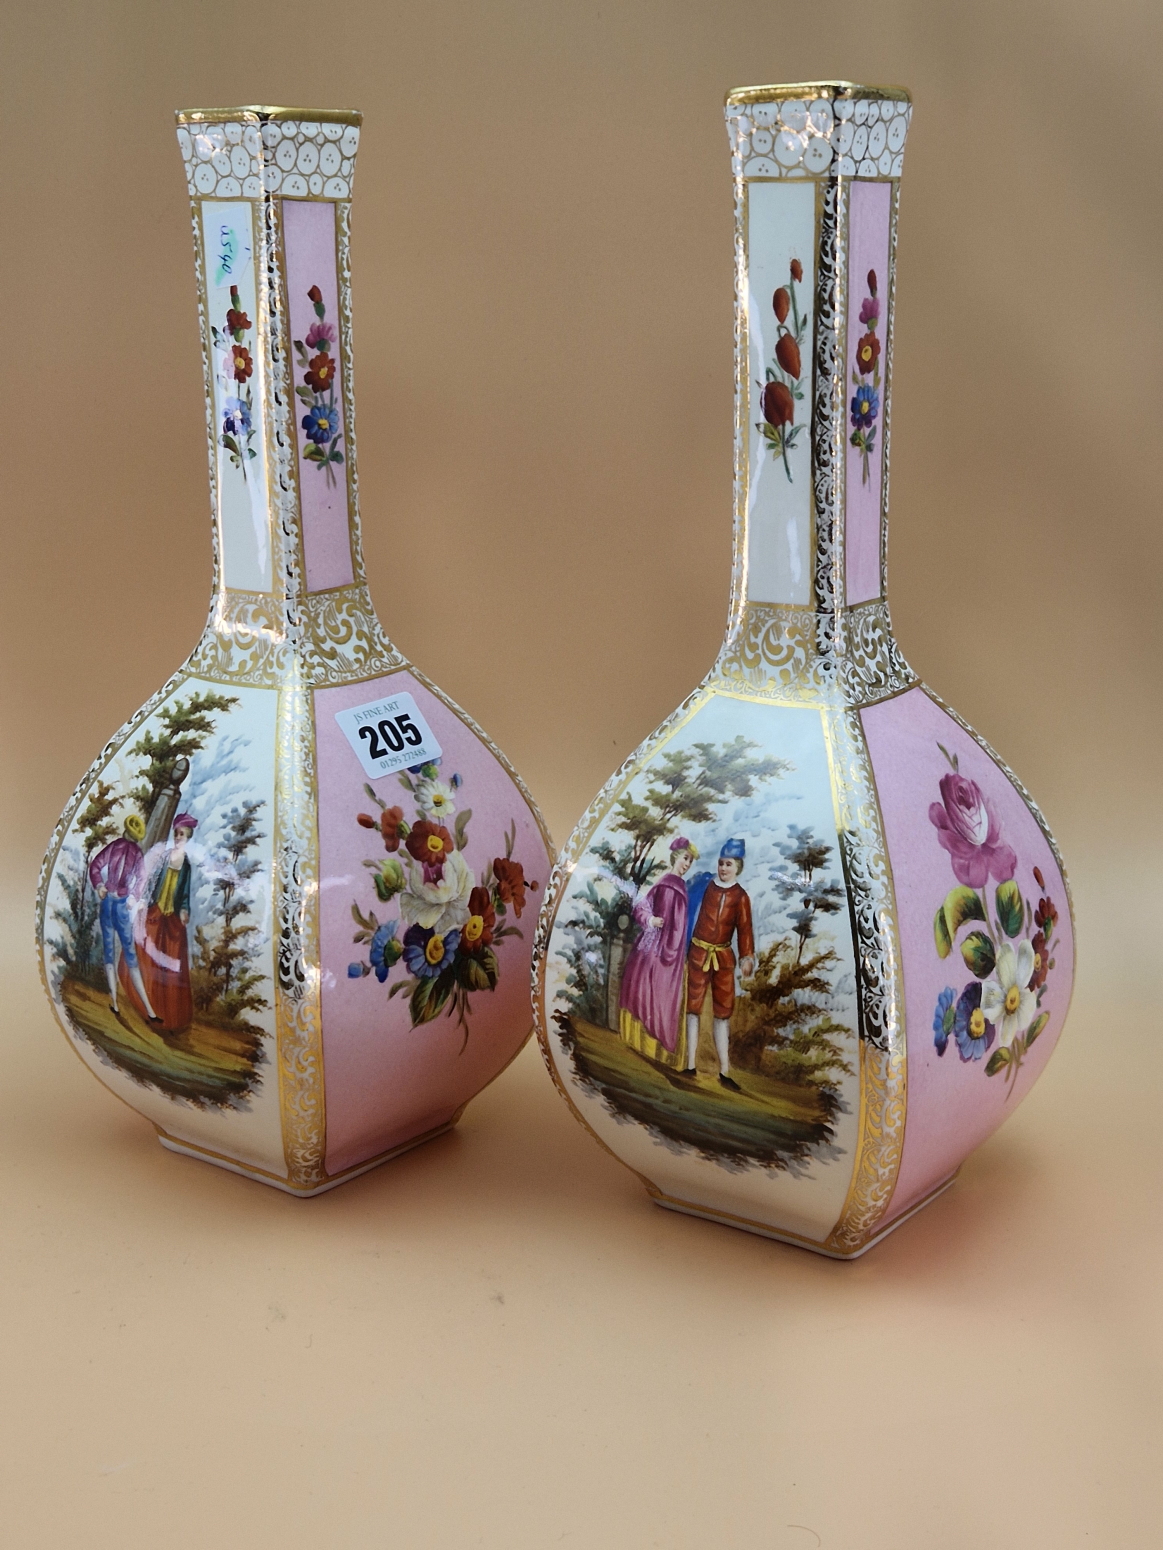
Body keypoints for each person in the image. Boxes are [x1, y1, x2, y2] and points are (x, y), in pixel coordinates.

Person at [682, 838, 755, 1090]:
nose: (724, 868)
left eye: (729, 864)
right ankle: (690, 1065)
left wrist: (747, 957)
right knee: (693, 1008)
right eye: (721, 863)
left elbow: (745, 930)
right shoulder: (704, 886)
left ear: (738, 867)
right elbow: (688, 911)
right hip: (699, 954)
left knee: (722, 1014)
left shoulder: (741, 897)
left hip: (723, 959)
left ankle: (724, 1071)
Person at [618, 838, 698, 1067]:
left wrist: (675, 950)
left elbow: (680, 928)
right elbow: (642, 907)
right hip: (656, 951)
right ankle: (640, 1045)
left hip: (668, 953)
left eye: (690, 861)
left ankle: (654, 1052)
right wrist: (651, 920)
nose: (687, 864)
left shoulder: (679, 886)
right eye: (685, 858)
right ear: (675, 857)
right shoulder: (666, 883)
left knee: (659, 996)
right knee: (647, 991)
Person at [124, 813, 196, 1032]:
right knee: (146, 952)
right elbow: (151, 879)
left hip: (171, 916)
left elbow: (184, 893)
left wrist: (184, 910)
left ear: (188, 837)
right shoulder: (164, 857)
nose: (178, 837)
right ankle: (145, 1002)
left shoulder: (186, 865)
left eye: (182, 834)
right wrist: (144, 900)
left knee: (172, 960)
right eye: (176, 833)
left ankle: (168, 1012)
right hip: (156, 909)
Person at [88, 814, 161, 1024]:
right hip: (108, 903)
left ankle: (149, 1010)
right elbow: (96, 865)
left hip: (121, 905)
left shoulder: (137, 853)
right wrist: (99, 885)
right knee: (109, 949)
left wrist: (133, 897)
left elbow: (142, 878)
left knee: (129, 952)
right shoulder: (116, 846)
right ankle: (114, 1001)